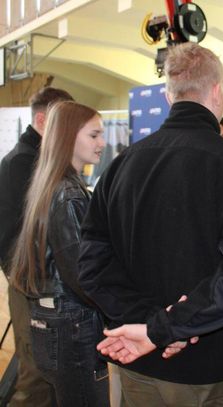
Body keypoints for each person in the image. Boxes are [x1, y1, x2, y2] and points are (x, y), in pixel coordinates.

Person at [78, 42, 223, 407]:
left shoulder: (121, 165)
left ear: (169, 96)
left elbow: (92, 264)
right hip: (203, 368)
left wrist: (151, 325)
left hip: (140, 359)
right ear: (218, 91)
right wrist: (163, 328)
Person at [9, 101, 109, 406]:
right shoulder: (68, 194)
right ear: (68, 137)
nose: (102, 143)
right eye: (94, 135)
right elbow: (82, 274)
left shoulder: (51, 185)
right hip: (74, 327)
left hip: (55, 322)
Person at [0, 86, 73, 407]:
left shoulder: (37, 159)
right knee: (35, 374)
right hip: (31, 282)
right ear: (43, 120)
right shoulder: (24, 162)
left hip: (40, 280)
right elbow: (21, 233)